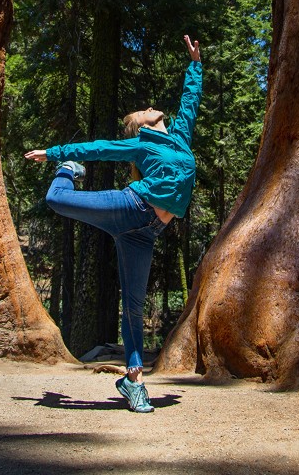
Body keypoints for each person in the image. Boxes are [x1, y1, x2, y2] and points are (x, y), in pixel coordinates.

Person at [24, 34, 203, 413]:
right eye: (145, 110)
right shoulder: (140, 143)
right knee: (57, 198)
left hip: (147, 232)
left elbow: (189, 104)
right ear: (141, 125)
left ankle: (133, 380)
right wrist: (58, 152)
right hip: (130, 206)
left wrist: (195, 66)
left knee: (134, 306)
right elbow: (99, 148)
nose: (152, 108)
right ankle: (66, 172)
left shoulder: (180, 139)